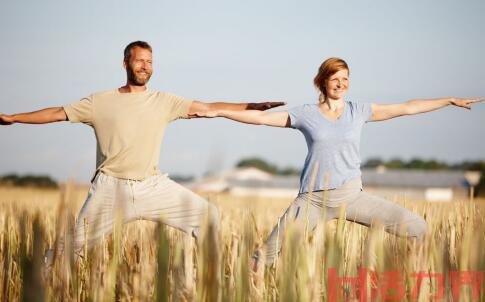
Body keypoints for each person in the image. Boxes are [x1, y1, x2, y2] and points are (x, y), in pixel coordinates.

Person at [0, 41, 284, 264]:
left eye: (150, 62)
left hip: (152, 186)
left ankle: (213, 281)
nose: (145, 66)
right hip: (111, 190)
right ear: (126, 63)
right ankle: (34, 285)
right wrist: (14, 117)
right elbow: (57, 113)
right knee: (68, 252)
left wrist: (251, 105)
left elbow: (208, 108)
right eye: (140, 60)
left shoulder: (164, 101)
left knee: (209, 217)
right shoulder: (100, 102)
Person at [190, 57, 484, 268]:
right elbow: (260, 118)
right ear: (322, 81)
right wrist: (218, 111)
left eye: (345, 79)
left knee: (418, 228)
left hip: (351, 196)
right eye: (335, 79)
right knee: (265, 257)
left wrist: (447, 100)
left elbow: (407, 107)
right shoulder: (305, 114)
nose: (341, 84)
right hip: (312, 201)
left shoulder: (359, 111)